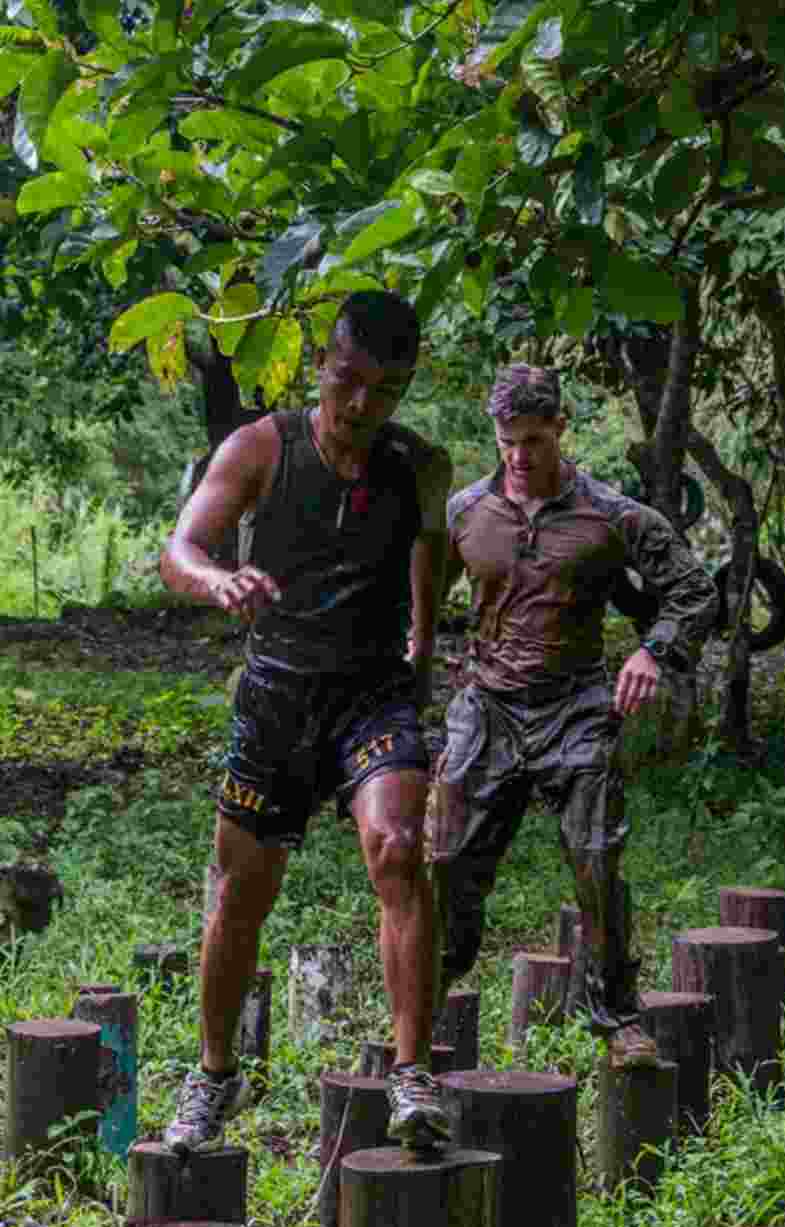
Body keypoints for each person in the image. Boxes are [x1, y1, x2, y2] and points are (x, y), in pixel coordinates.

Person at [159, 290, 454, 1154]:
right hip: (278, 694)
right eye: (348, 381)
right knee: (239, 893)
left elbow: (429, 551)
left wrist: (423, 645)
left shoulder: (419, 465)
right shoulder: (262, 446)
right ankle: (215, 1074)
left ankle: (412, 1073)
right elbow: (180, 551)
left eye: (386, 391)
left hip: (372, 694)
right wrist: (220, 581)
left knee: (400, 849)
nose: (362, 405)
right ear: (321, 362)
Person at [430, 364, 719, 1067]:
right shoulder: (465, 512)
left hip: (577, 707)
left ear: (560, 427)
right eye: (506, 441)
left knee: (596, 862)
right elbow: (417, 595)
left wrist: (652, 651)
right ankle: (431, 993)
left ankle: (617, 1018)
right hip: (488, 705)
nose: (518, 456)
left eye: (533, 439)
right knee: (447, 860)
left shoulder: (611, 515)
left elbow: (694, 591)